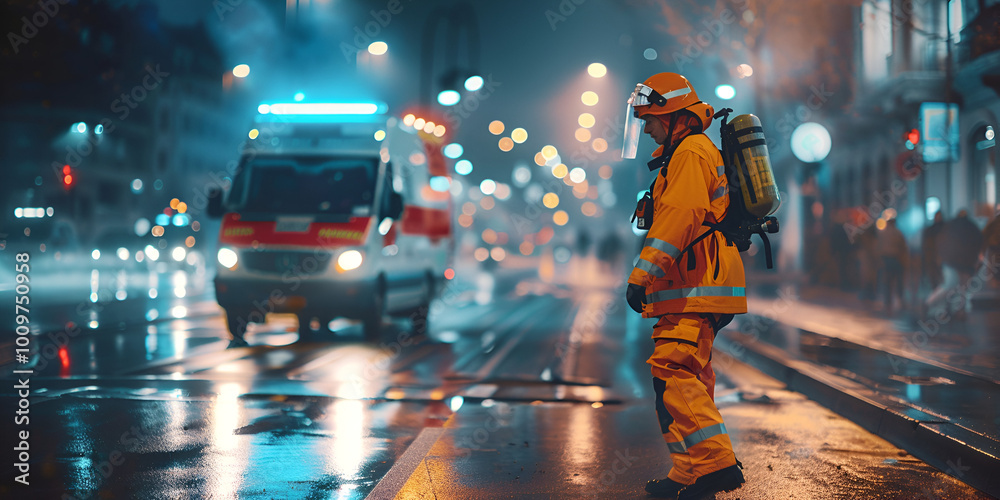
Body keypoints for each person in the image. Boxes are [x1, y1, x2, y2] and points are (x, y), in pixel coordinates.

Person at [622, 72, 746, 499]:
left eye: (651, 119)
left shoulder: (691, 151)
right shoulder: (683, 151)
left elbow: (680, 216)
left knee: (673, 371)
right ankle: (691, 472)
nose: (645, 127)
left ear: (674, 116)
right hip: (689, 284)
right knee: (681, 378)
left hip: (695, 282)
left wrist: (643, 274)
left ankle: (718, 466)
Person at [877, 218, 908, 313]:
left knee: (887, 282)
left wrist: (879, 260)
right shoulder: (898, 233)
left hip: (886, 260)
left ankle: (887, 303)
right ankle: (900, 301)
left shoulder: (882, 233)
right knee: (898, 281)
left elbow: (878, 247)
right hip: (896, 259)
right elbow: (903, 247)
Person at [921, 211, 945, 291]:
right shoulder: (930, 231)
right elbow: (926, 247)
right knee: (935, 279)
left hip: (942, 258)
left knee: (942, 279)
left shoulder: (945, 229)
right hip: (933, 259)